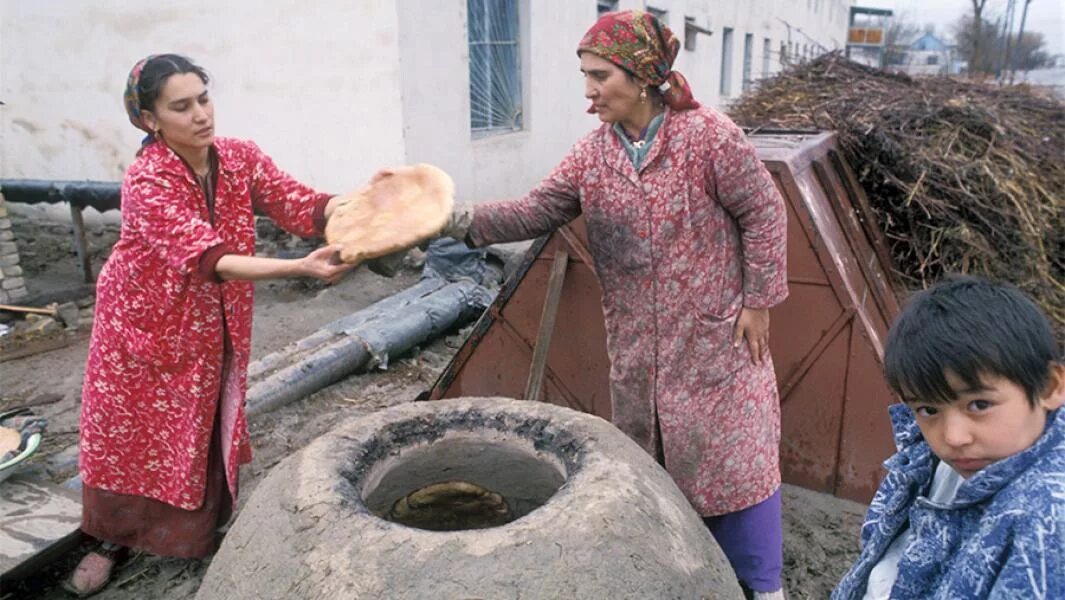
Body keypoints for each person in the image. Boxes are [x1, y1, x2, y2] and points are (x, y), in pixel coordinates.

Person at [443, 10, 789, 599]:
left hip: (714, 337)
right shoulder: (592, 156)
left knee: (737, 471)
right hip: (638, 341)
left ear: (643, 74)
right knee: (654, 467)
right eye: (584, 74)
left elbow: (764, 212)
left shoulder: (709, 139)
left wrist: (758, 301)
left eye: (600, 75)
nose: (589, 90)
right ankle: (680, 578)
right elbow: (534, 211)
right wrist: (451, 219)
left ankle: (763, 587)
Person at [66, 54, 358, 596]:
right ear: (150, 119)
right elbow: (211, 258)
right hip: (143, 325)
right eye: (181, 106)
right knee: (132, 437)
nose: (201, 114)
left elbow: (300, 204)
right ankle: (111, 538)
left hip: (214, 322)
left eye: (204, 98)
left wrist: (363, 202)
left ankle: (192, 539)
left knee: (200, 423)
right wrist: (300, 267)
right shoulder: (147, 180)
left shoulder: (239, 157)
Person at [832, 275, 1065, 599]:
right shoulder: (924, 461)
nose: (953, 437)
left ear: (1050, 387)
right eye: (928, 409)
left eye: (979, 405)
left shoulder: (1047, 525)